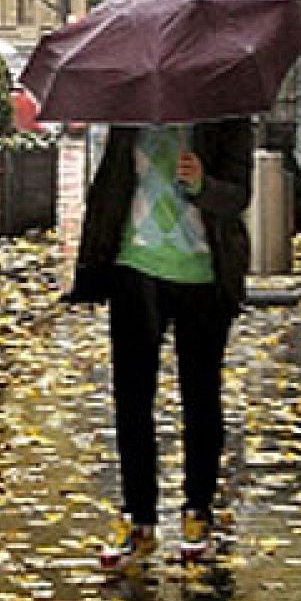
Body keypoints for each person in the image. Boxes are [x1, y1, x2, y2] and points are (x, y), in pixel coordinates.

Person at [69, 119, 255, 569]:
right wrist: (93, 261)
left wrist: (202, 184)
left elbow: (239, 196)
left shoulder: (225, 120)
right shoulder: (129, 119)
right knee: (132, 400)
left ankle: (198, 510)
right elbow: (107, 191)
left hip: (203, 276)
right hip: (135, 271)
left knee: (201, 397)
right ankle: (139, 517)